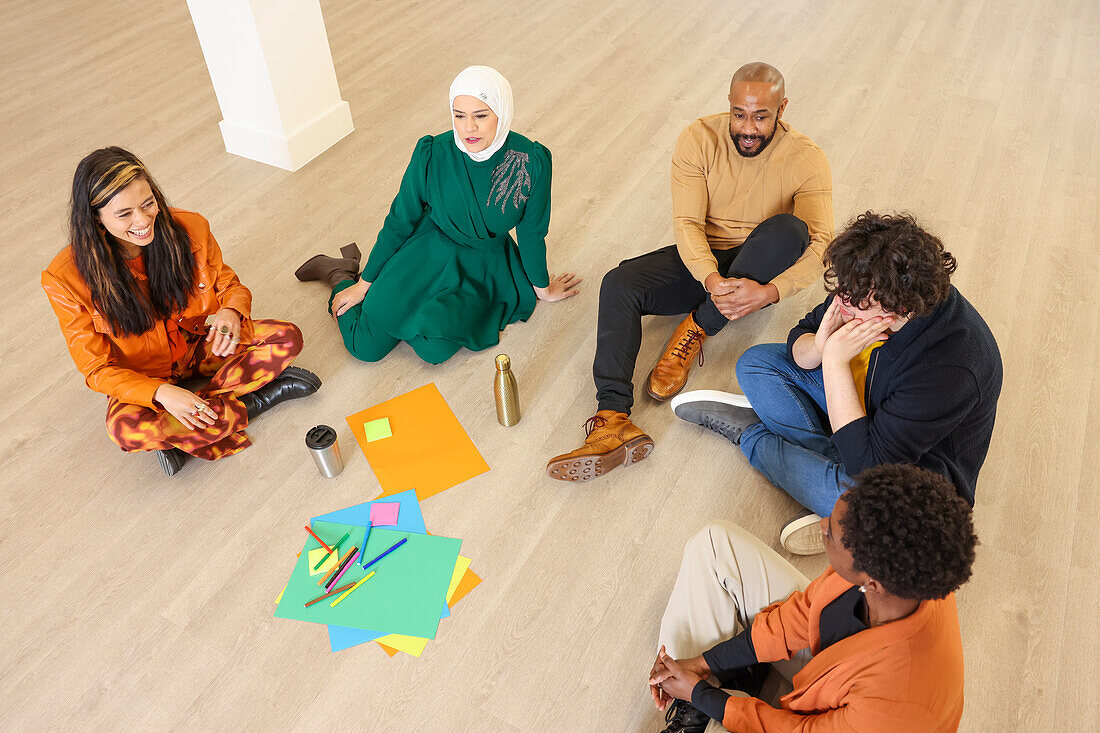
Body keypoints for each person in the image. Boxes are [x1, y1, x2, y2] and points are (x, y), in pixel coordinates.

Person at [546, 62, 832, 483]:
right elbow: (687, 226)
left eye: (761, 116)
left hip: (763, 257)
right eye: (739, 113)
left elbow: (821, 244)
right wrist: (712, 280)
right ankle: (612, 419)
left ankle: (698, 325)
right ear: (729, 106)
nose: (747, 128)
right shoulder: (698, 139)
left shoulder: (806, 159)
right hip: (706, 257)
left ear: (782, 108)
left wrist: (770, 293)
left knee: (791, 230)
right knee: (618, 283)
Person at [671, 212, 1002, 553]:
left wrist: (834, 361)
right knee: (756, 365)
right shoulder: (864, 287)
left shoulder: (949, 368)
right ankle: (830, 492)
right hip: (863, 412)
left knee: (873, 513)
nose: (840, 303)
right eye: (842, 290)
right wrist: (819, 346)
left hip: (908, 476)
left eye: (854, 303)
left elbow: (869, 468)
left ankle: (752, 435)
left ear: (897, 309)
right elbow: (801, 333)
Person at [42, 147, 321, 477]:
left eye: (148, 204)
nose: (144, 221)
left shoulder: (190, 227)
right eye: (124, 214)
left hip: (197, 347)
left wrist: (231, 312)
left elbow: (229, 285)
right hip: (143, 377)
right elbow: (97, 370)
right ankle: (257, 401)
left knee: (285, 337)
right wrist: (161, 394)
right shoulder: (63, 279)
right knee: (123, 430)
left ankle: (183, 433)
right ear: (95, 217)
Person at [649, 464, 977, 733]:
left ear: (872, 582)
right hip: (834, 669)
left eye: (831, 532)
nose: (821, 525)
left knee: (717, 705)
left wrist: (700, 693)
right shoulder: (895, 572)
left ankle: (696, 697)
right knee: (713, 543)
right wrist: (707, 662)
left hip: (853, 711)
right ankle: (708, 688)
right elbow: (800, 615)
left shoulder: (901, 703)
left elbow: (800, 732)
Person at [295, 65, 580, 364]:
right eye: (459, 116)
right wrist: (363, 284)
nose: (468, 128)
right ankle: (339, 273)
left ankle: (412, 305)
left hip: (483, 265)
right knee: (365, 347)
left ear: (502, 111)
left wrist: (543, 288)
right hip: (428, 247)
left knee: (434, 350)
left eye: (481, 115)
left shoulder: (531, 161)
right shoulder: (432, 152)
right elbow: (400, 220)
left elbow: (532, 233)